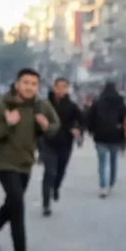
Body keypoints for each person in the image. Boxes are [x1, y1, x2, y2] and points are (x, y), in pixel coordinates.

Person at [0, 68, 60, 251]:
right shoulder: (3, 105)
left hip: (25, 162)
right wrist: (7, 123)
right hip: (3, 162)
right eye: (25, 83)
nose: (29, 87)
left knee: (12, 202)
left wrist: (46, 127)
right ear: (17, 84)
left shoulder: (41, 105)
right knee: (17, 202)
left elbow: (55, 124)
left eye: (34, 84)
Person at [40, 77, 84, 215]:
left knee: (60, 171)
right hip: (48, 143)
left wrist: (78, 129)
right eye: (58, 86)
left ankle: (56, 187)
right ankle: (46, 204)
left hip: (65, 144)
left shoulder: (72, 106)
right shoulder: (45, 104)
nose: (60, 89)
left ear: (67, 89)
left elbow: (82, 120)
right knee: (49, 172)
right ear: (54, 87)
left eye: (64, 87)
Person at [86, 81, 126, 198]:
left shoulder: (98, 102)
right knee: (113, 161)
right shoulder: (121, 102)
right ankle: (112, 183)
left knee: (102, 162)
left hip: (101, 136)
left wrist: (91, 130)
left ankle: (103, 186)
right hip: (116, 136)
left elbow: (90, 117)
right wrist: (124, 132)